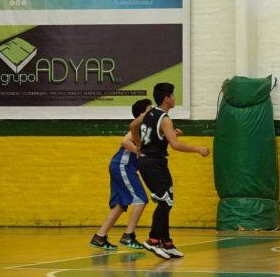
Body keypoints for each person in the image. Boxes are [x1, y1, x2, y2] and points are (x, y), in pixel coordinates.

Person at [131, 82, 210, 260]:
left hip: (148, 162)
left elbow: (133, 126)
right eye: (173, 95)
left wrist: (139, 146)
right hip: (154, 164)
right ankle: (153, 240)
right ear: (167, 98)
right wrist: (198, 149)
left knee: (167, 200)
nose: (174, 98)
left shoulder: (149, 113)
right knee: (165, 201)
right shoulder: (165, 118)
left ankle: (166, 242)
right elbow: (175, 145)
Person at [89, 99, 152, 251]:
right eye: (150, 110)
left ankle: (99, 237)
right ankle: (128, 236)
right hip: (122, 166)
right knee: (141, 199)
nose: (153, 113)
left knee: (119, 205)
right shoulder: (138, 128)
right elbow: (124, 141)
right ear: (142, 114)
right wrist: (139, 152)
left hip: (119, 166)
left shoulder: (147, 129)